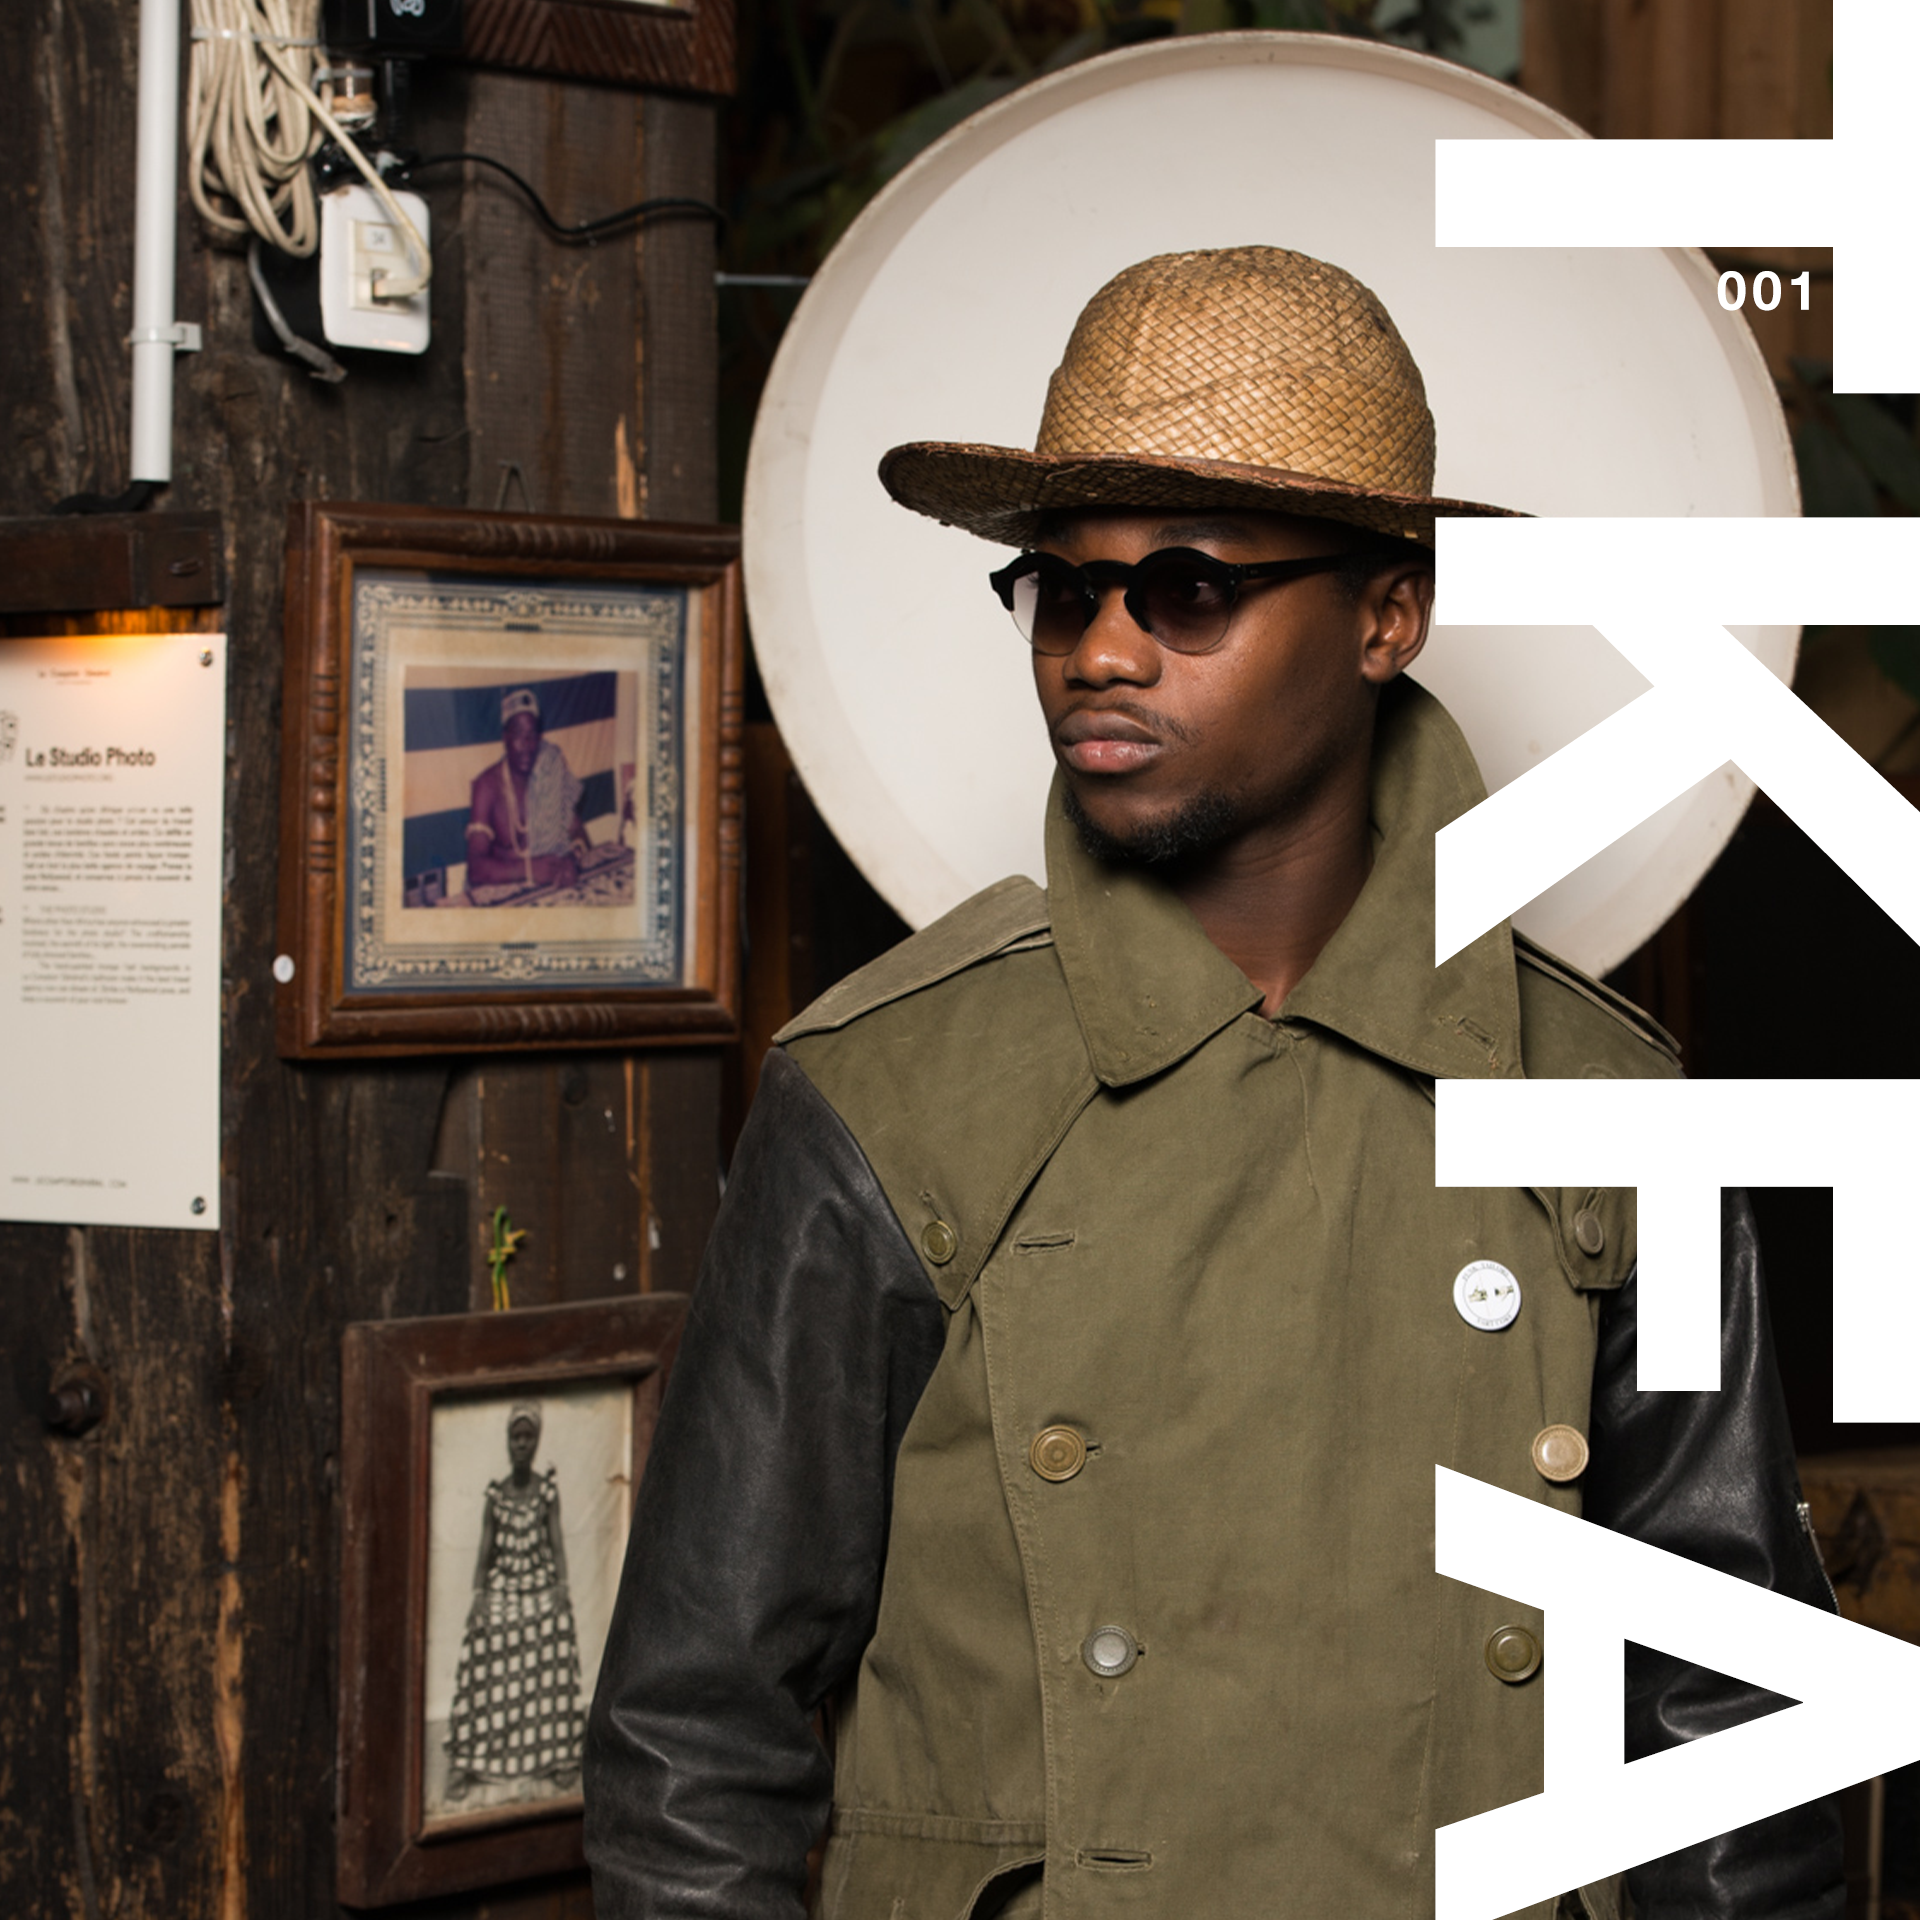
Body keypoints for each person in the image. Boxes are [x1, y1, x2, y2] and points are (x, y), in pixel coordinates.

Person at [584, 248, 1843, 1918]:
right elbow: (693, 1744)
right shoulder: (890, 1098)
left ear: (1387, 616)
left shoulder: (1611, 1115)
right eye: (1063, 590)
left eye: (1184, 589)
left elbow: (1733, 1741)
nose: (1100, 651)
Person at [443, 1402, 584, 1802]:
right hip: (503, 1587)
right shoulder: (496, 1495)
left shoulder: (547, 1491)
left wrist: (561, 1587)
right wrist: (479, 1594)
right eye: (515, 1437)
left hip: (538, 1584)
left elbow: (556, 1544)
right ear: (507, 1442)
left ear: (537, 1442)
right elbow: (485, 1551)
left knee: (556, 1629)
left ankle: (558, 1754)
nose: (521, 1445)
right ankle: (468, 1758)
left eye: (528, 1438)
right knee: (481, 1637)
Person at [464, 687, 589, 893]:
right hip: (502, 894)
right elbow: (475, 869)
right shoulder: (487, 786)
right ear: (505, 738)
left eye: (532, 734)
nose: (527, 745)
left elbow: (577, 830)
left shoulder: (549, 770)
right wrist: (529, 870)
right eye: (518, 734)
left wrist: (573, 858)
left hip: (549, 888)